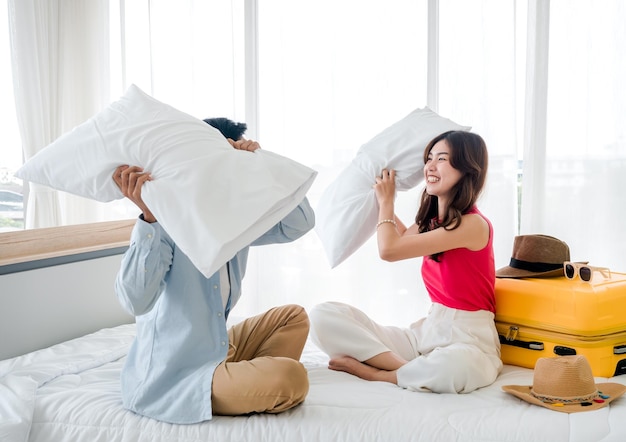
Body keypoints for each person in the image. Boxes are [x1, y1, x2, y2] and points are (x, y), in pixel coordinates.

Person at [113, 117, 315, 424]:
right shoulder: (163, 220)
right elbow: (134, 301)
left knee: (293, 317)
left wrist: (259, 167)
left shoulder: (234, 217)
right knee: (291, 376)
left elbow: (298, 224)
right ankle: (240, 384)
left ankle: (238, 382)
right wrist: (149, 217)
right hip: (175, 375)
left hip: (216, 346)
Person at [309, 130, 502, 394]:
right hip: (425, 334)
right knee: (322, 316)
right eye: (429, 158)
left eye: (442, 159)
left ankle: (379, 373)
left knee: (456, 366)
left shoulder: (473, 224)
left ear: (467, 169)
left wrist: (388, 201)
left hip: (469, 339)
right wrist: (379, 200)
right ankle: (410, 369)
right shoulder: (435, 222)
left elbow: (389, 249)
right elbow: (398, 237)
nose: (430, 166)